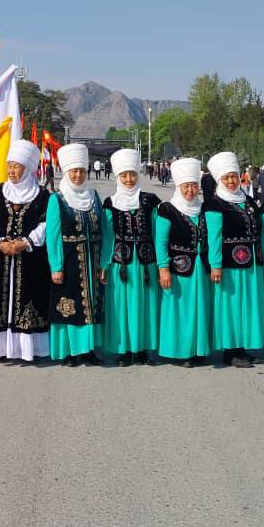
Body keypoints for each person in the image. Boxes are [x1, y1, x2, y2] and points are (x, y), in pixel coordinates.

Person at [0, 139, 51, 362]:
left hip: (31, 258)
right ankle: (0, 349)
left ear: (27, 169)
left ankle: (28, 349)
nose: (11, 171)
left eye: (16, 166)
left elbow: (46, 224)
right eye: (9, 166)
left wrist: (26, 242)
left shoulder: (42, 195)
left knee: (30, 297)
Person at [204, 151, 264, 368]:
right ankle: (230, 351)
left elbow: (261, 232)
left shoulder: (248, 201)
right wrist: (215, 265)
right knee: (231, 307)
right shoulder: (214, 204)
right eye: (226, 178)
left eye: (233, 176)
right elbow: (214, 237)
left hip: (252, 264)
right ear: (219, 180)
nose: (231, 181)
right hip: (229, 266)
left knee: (248, 306)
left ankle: (242, 347)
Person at [47, 144, 111, 366]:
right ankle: (70, 352)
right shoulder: (57, 199)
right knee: (69, 305)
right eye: (74, 171)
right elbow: (53, 236)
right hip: (69, 261)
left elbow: (105, 231)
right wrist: (56, 267)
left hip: (93, 260)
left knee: (92, 305)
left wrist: (104, 262)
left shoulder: (94, 196)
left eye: (82, 171)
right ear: (67, 172)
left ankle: (89, 350)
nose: (78, 175)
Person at [102, 148, 160, 366]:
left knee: (146, 306)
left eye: (132, 174)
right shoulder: (110, 203)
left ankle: (143, 350)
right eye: (124, 175)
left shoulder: (150, 201)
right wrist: (104, 264)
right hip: (121, 266)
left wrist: (162, 264)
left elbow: (157, 232)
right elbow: (108, 237)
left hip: (146, 265)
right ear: (117, 177)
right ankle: (124, 350)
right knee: (121, 307)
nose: (129, 179)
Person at [155, 158, 212, 366]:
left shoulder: (204, 209)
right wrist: (163, 269)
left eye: (194, 185)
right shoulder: (167, 209)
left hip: (200, 269)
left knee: (199, 309)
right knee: (180, 311)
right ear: (178, 186)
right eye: (186, 186)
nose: (190, 190)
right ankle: (181, 352)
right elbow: (161, 242)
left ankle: (198, 350)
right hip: (177, 270)